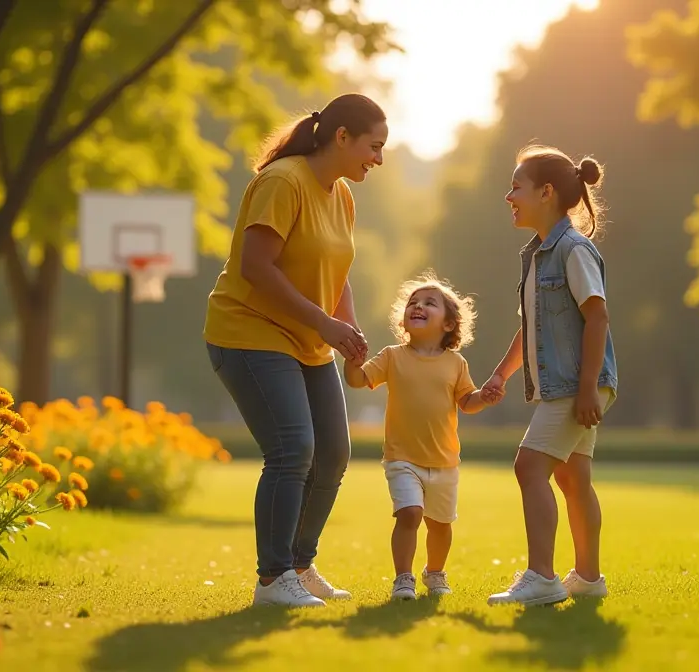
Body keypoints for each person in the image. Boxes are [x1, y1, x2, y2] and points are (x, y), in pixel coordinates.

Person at [203, 93, 388, 607]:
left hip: (308, 338)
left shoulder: (341, 194)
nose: (378, 159)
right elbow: (255, 268)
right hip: (248, 330)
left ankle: (300, 566)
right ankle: (272, 578)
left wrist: (346, 329)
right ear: (342, 137)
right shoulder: (283, 181)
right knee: (291, 450)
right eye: (373, 147)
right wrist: (324, 323)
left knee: (333, 454)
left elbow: (338, 271)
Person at [481, 144, 619, 606]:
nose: (508, 196)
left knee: (529, 467)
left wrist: (586, 390)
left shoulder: (574, 250)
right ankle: (588, 577)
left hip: (576, 383)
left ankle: (542, 577)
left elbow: (597, 318)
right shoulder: (539, 254)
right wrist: (501, 374)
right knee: (573, 479)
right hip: (571, 385)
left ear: (546, 192)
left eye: (516, 187)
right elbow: (532, 325)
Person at [344, 272, 492, 600]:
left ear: (449, 325)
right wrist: (351, 359)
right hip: (402, 458)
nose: (418, 306)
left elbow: (466, 402)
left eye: (429, 303)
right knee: (409, 513)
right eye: (413, 302)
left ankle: (435, 572)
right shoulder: (392, 356)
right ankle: (404, 578)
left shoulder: (456, 363)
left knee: (440, 525)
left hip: (444, 461)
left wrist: (484, 397)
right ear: (404, 320)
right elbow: (357, 380)